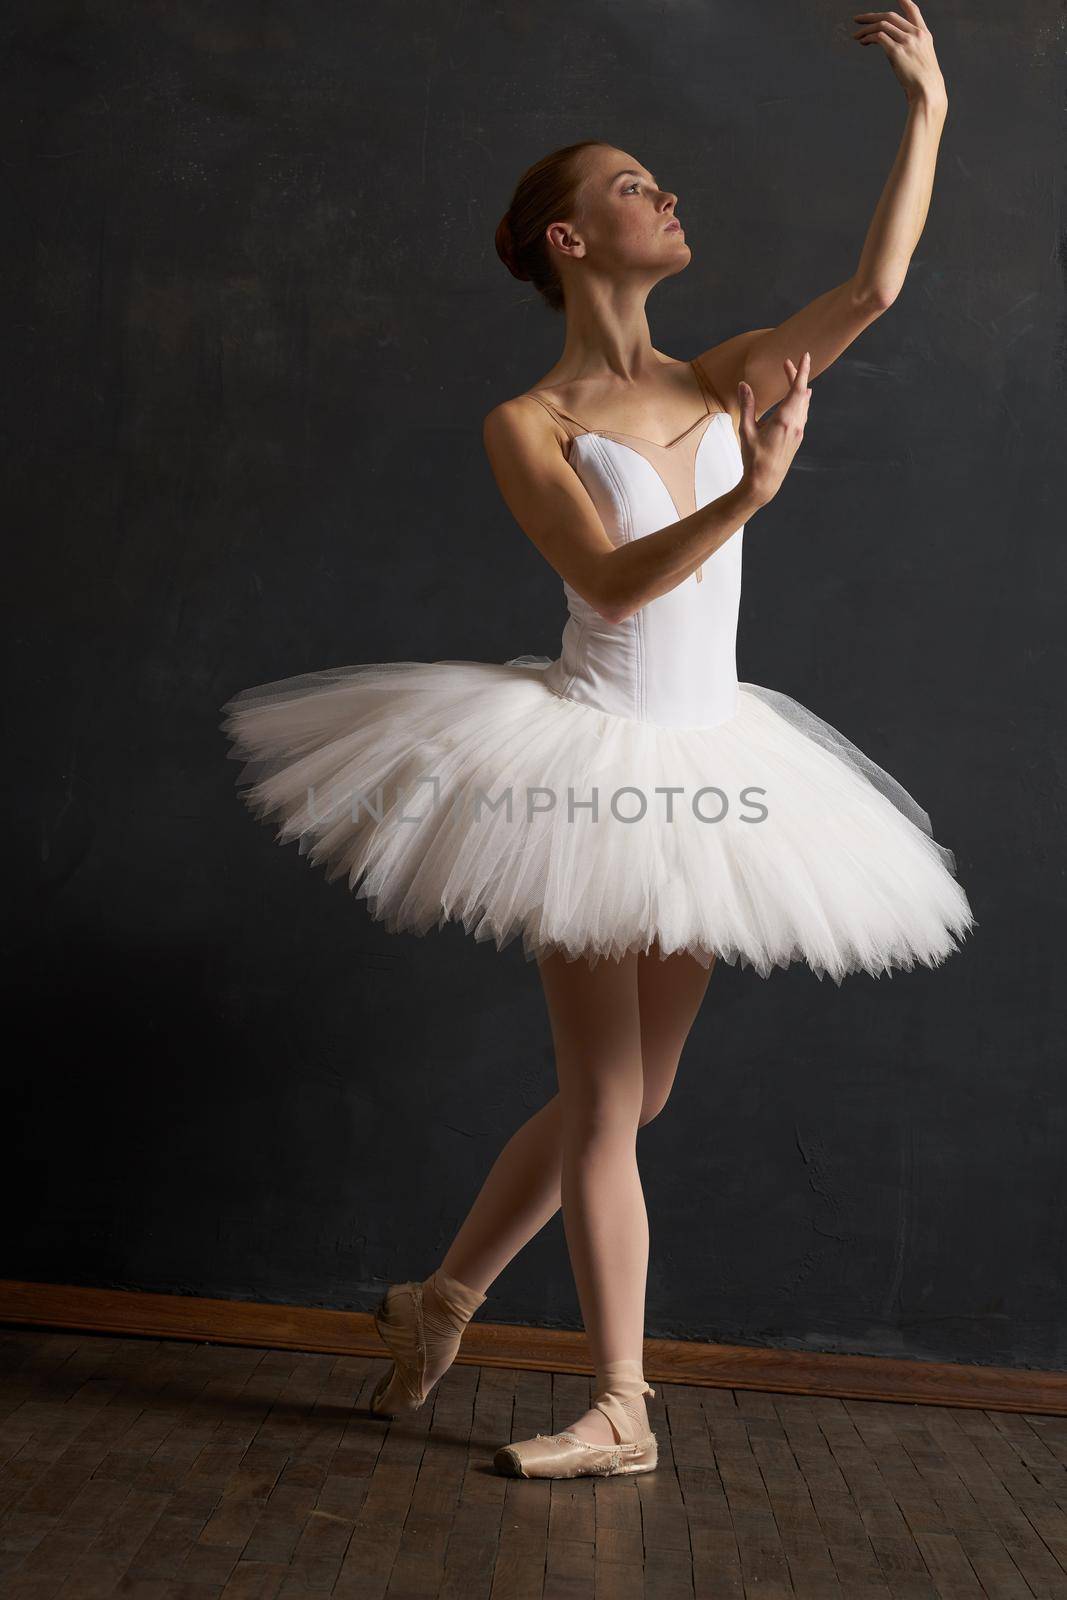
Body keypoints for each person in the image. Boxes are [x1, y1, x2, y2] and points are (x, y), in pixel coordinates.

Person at [220, 3, 971, 1481]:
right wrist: (751, 497)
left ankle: (439, 1303)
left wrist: (928, 109)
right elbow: (617, 581)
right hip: (583, 768)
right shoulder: (531, 421)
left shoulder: (724, 376)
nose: (665, 198)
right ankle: (623, 1403)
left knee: (628, 1099)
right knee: (610, 1102)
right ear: (569, 240)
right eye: (633, 186)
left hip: (712, 763)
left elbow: (877, 288)